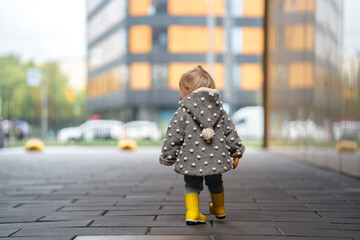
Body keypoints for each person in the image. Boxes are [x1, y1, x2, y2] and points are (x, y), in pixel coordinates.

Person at [159, 66, 245, 225]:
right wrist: (236, 151)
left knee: (191, 184)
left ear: (188, 89)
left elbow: (174, 135)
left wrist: (168, 157)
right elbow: (230, 131)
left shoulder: (183, 111)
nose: (180, 95)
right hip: (216, 158)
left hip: (191, 157)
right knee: (216, 182)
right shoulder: (219, 109)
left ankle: (192, 213)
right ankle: (219, 209)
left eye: (181, 90)